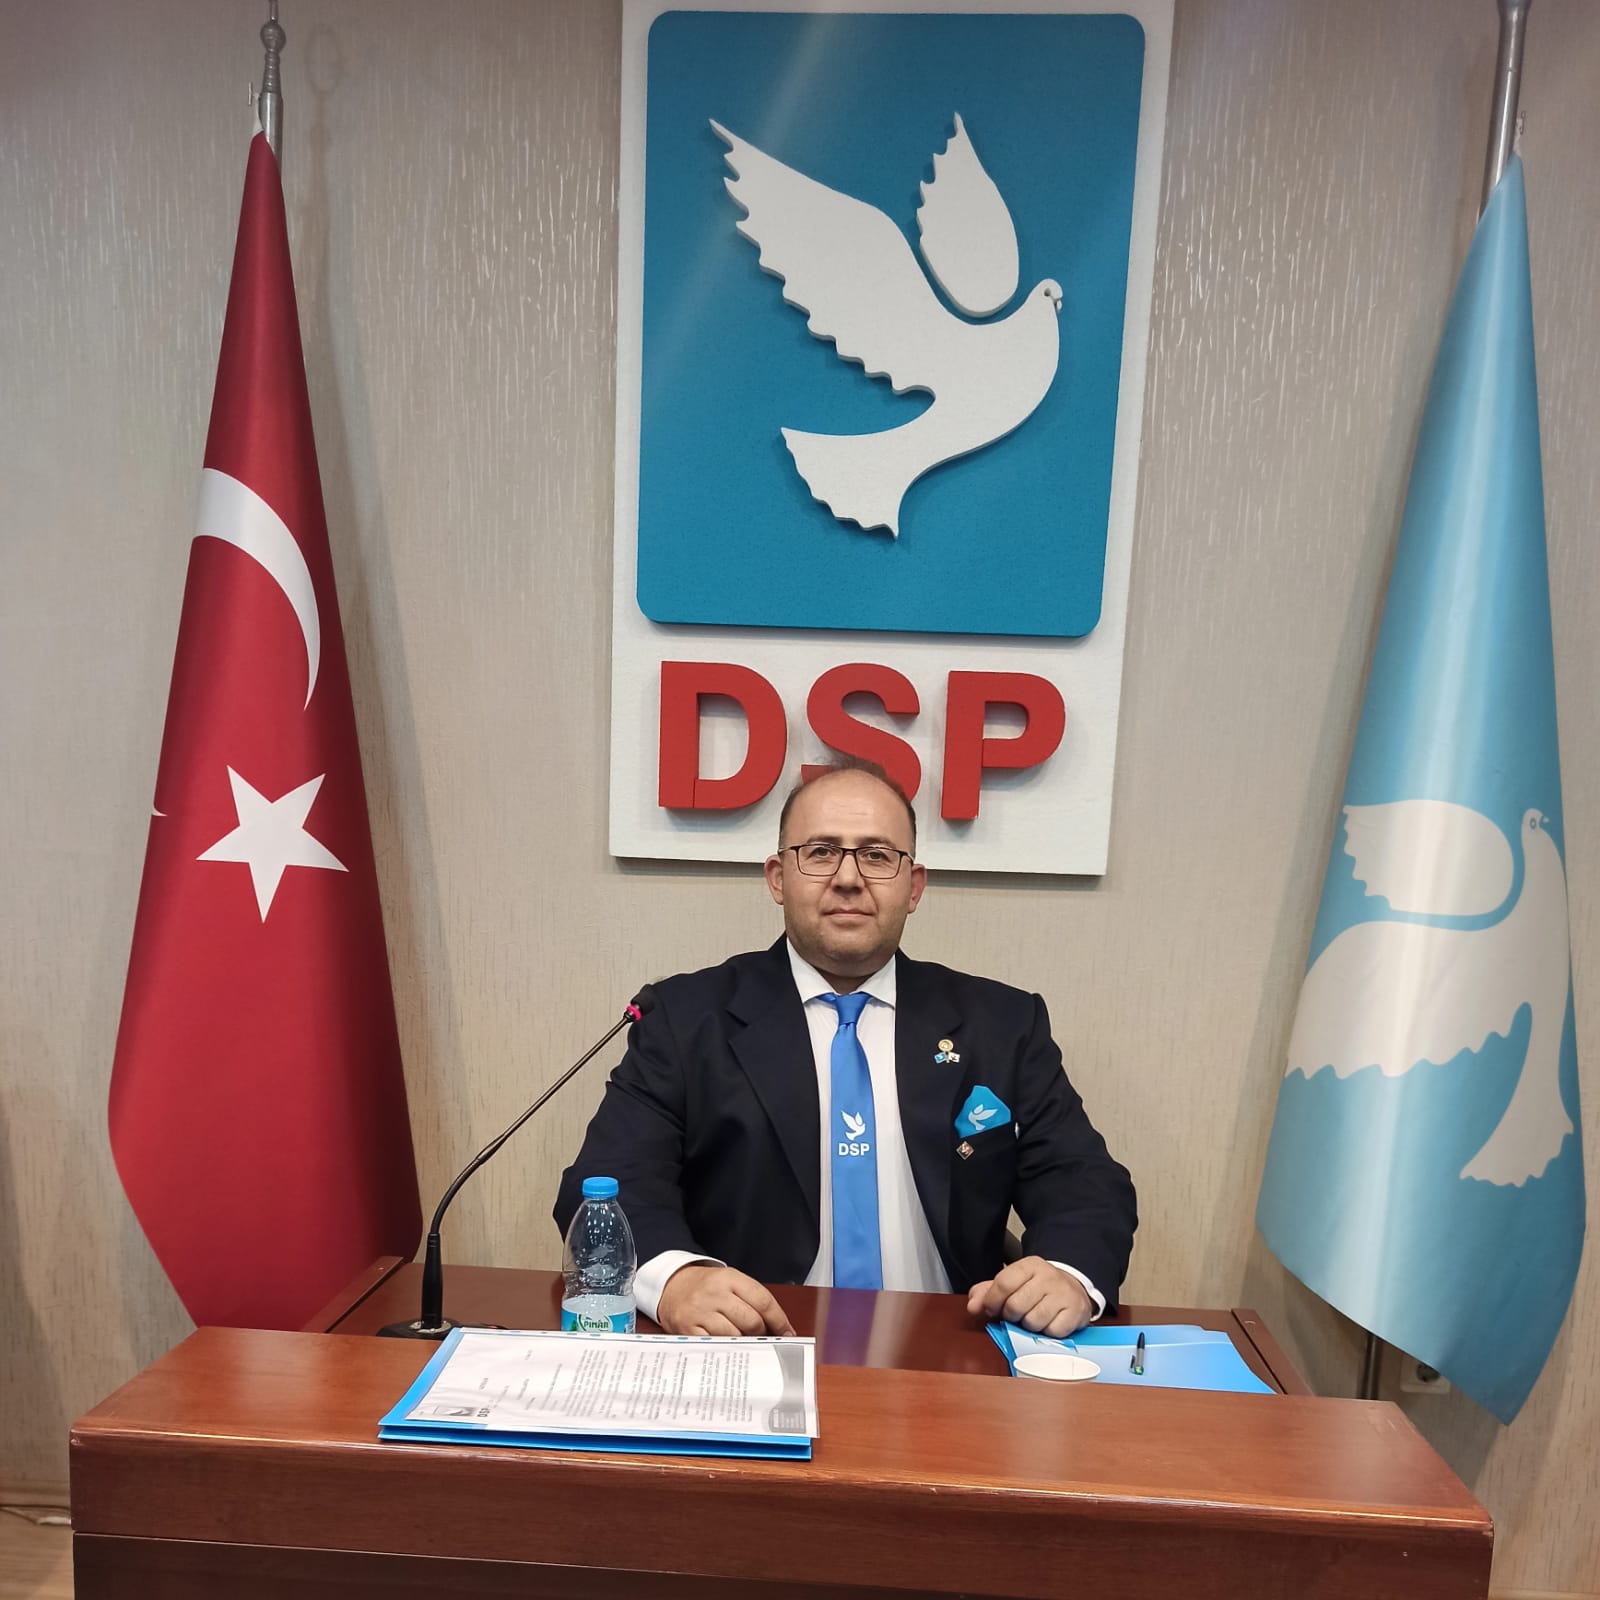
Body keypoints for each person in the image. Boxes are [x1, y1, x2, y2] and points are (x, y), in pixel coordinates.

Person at [555, 761, 1136, 1339]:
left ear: (914, 887)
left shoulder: (1002, 1024)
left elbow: (1083, 1181)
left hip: (950, 1348)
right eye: (822, 852)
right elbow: (610, 1180)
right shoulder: (685, 1020)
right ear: (778, 878)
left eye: (878, 855)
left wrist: (1068, 1274)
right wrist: (677, 1279)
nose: (849, 878)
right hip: (751, 1344)